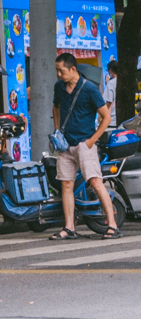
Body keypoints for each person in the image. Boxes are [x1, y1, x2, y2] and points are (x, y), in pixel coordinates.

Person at [51, 52, 120, 240]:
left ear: (73, 69)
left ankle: (112, 225)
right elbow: (55, 107)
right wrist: (57, 129)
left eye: (61, 71)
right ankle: (69, 227)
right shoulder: (59, 87)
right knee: (66, 185)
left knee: (96, 181)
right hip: (65, 145)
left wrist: (91, 141)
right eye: (57, 71)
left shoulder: (90, 89)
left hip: (85, 144)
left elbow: (105, 117)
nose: (58, 74)